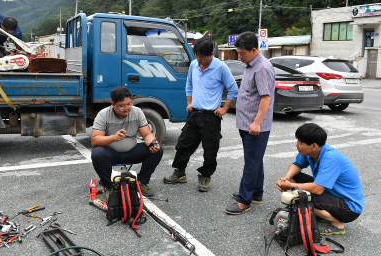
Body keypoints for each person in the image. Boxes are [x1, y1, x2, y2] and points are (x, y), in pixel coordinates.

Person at [163, 38, 238, 192]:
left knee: (210, 149)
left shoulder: (221, 68)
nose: (198, 60)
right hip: (194, 114)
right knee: (183, 144)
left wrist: (224, 109)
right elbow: (189, 85)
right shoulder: (194, 65)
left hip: (211, 117)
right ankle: (179, 173)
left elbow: (233, 89)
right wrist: (189, 103)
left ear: (210, 55)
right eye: (196, 56)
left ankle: (205, 177)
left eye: (201, 57)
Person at [276, 123, 363, 235]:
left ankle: (337, 224)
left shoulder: (330, 158)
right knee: (295, 177)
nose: (297, 145)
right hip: (331, 194)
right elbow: (297, 165)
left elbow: (317, 190)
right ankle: (321, 213)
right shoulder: (308, 152)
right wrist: (286, 178)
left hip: (349, 207)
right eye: (297, 140)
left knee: (305, 198)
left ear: (314, 145)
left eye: (301, 143)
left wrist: (290, 186)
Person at [226, 31, 275, 215]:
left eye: (242, 53)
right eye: (238, 52)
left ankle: (243, 200)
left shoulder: (262, 67)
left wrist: (256, 123)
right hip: (246, 123)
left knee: (251, 162)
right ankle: (256, 193)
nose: (239, 56)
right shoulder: (250, 65)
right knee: (254, 160)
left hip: (255, 126)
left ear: (254, 50)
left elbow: (265, 98)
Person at [91, 86, 163, 198]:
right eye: (122, 106)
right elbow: (95, 140)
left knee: (157, 150)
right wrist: (113, 138)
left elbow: (147, 134)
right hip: (111, 154)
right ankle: (109, 186)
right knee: (97, 153)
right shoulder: (103, 114)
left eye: (129, 104)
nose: (126, 108)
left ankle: (142, 182)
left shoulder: (137, 112)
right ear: (113, 104)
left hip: (132, 152)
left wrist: (153, 143)